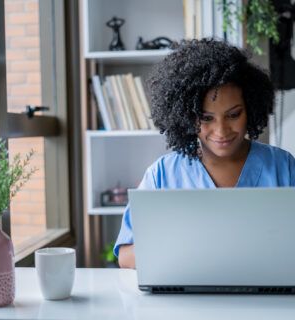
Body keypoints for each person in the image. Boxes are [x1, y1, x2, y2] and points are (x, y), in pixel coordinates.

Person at [114, 38, 295, 269]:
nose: (221, 131)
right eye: (207, 118)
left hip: (267, 296)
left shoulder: (283, 166)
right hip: (186, 299)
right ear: (187, 117)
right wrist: (187, 249)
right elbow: (126, 256)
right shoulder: (162, 174)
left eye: (233, 115)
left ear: (250, 109)